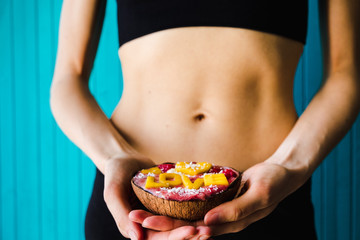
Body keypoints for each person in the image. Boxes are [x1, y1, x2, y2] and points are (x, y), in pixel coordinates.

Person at [50, 0, 359, 239]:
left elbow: (345, 75)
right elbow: (68, 79)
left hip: (270, 198)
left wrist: (290, 165)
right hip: (134, 204)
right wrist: (113, 156)